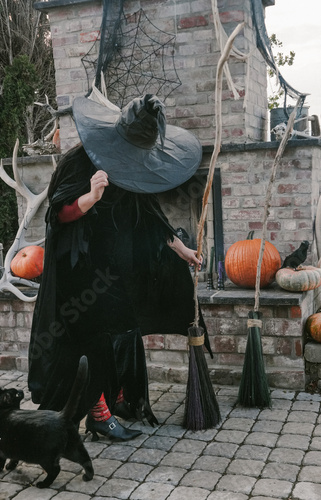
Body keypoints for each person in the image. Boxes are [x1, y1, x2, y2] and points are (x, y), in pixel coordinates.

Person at [28, 94, 209, 440]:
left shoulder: (136, 166)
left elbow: (150, 220)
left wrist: (183, 249)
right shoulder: (78, 164)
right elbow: (58, 214)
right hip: (78, 270)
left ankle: (123, 395)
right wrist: (90, 198)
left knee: (126, 324)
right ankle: (98, 413)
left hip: (114, 265)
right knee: (93, 336)